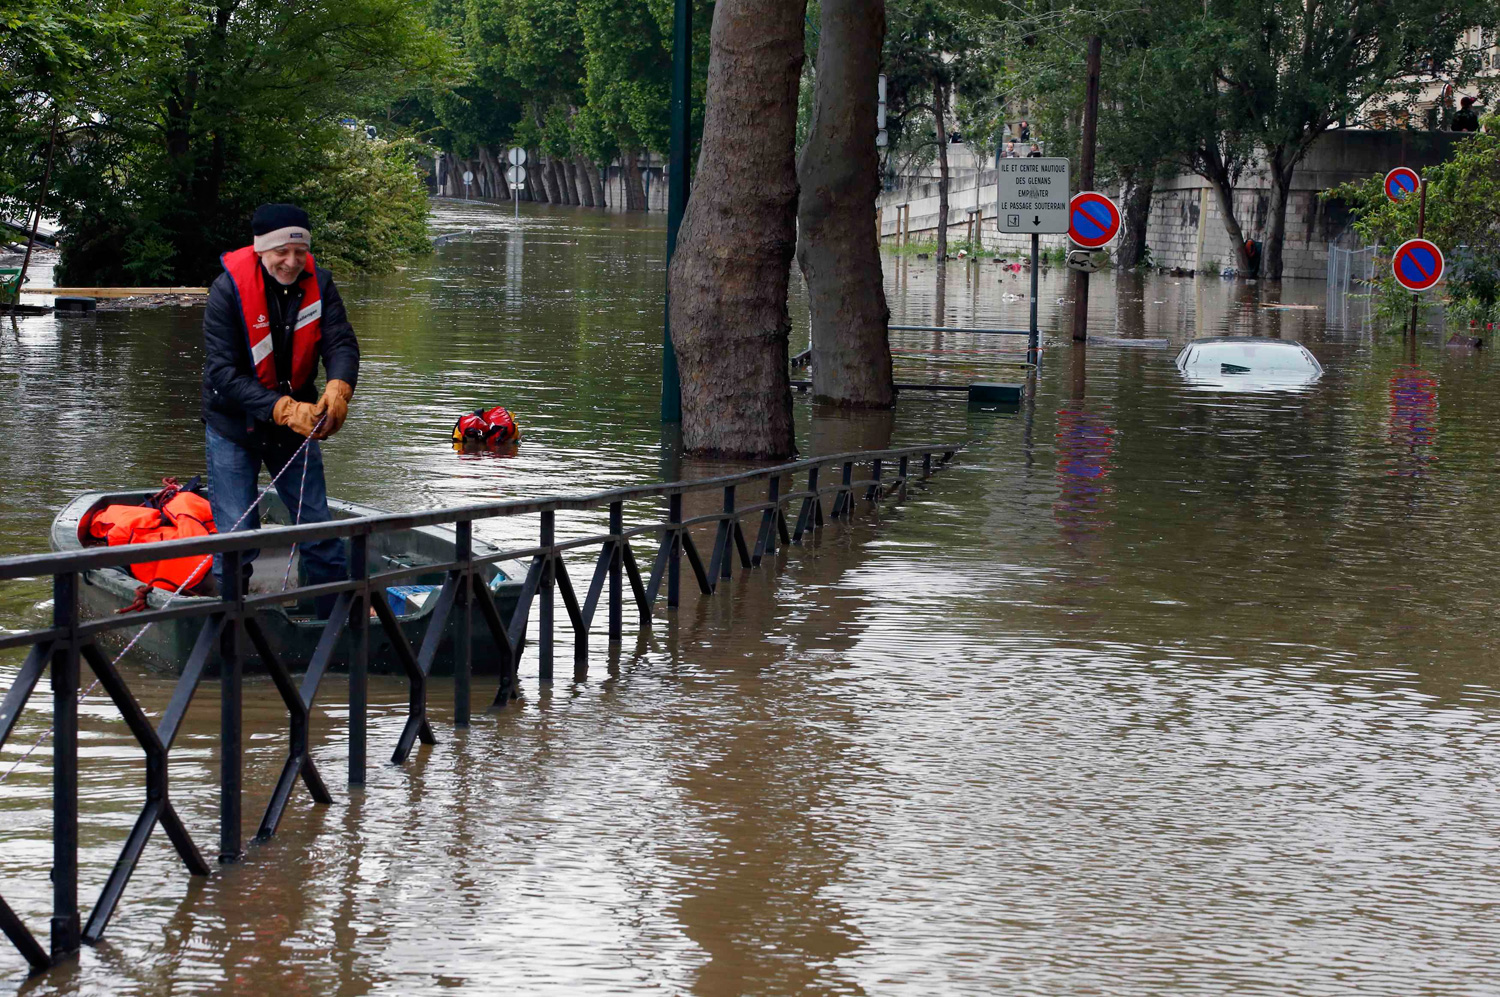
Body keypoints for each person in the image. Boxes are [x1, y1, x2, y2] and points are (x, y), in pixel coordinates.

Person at [201, 203, 359, 609]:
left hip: (297, 427)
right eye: (281, 253)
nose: (291, 262)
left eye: (300, 252)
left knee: (317, 525)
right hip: (234, 426)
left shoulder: (320, 284)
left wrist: (339, 387)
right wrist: (285, 409)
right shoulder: (226, 291)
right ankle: (231, 623)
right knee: (238, 533)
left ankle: (327, 614)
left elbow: (339, 342)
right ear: (260, 251)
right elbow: (223, 373)